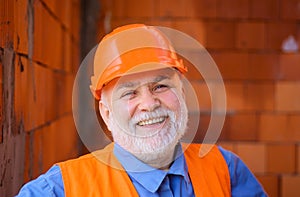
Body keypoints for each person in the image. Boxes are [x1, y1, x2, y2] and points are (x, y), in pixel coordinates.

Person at [17, 24, 267, 196]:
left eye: (160, 86)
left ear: (181, 94)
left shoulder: (226, 170)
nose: (149, 104)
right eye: (129, 92)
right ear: (106, 113)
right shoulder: (63, 189)